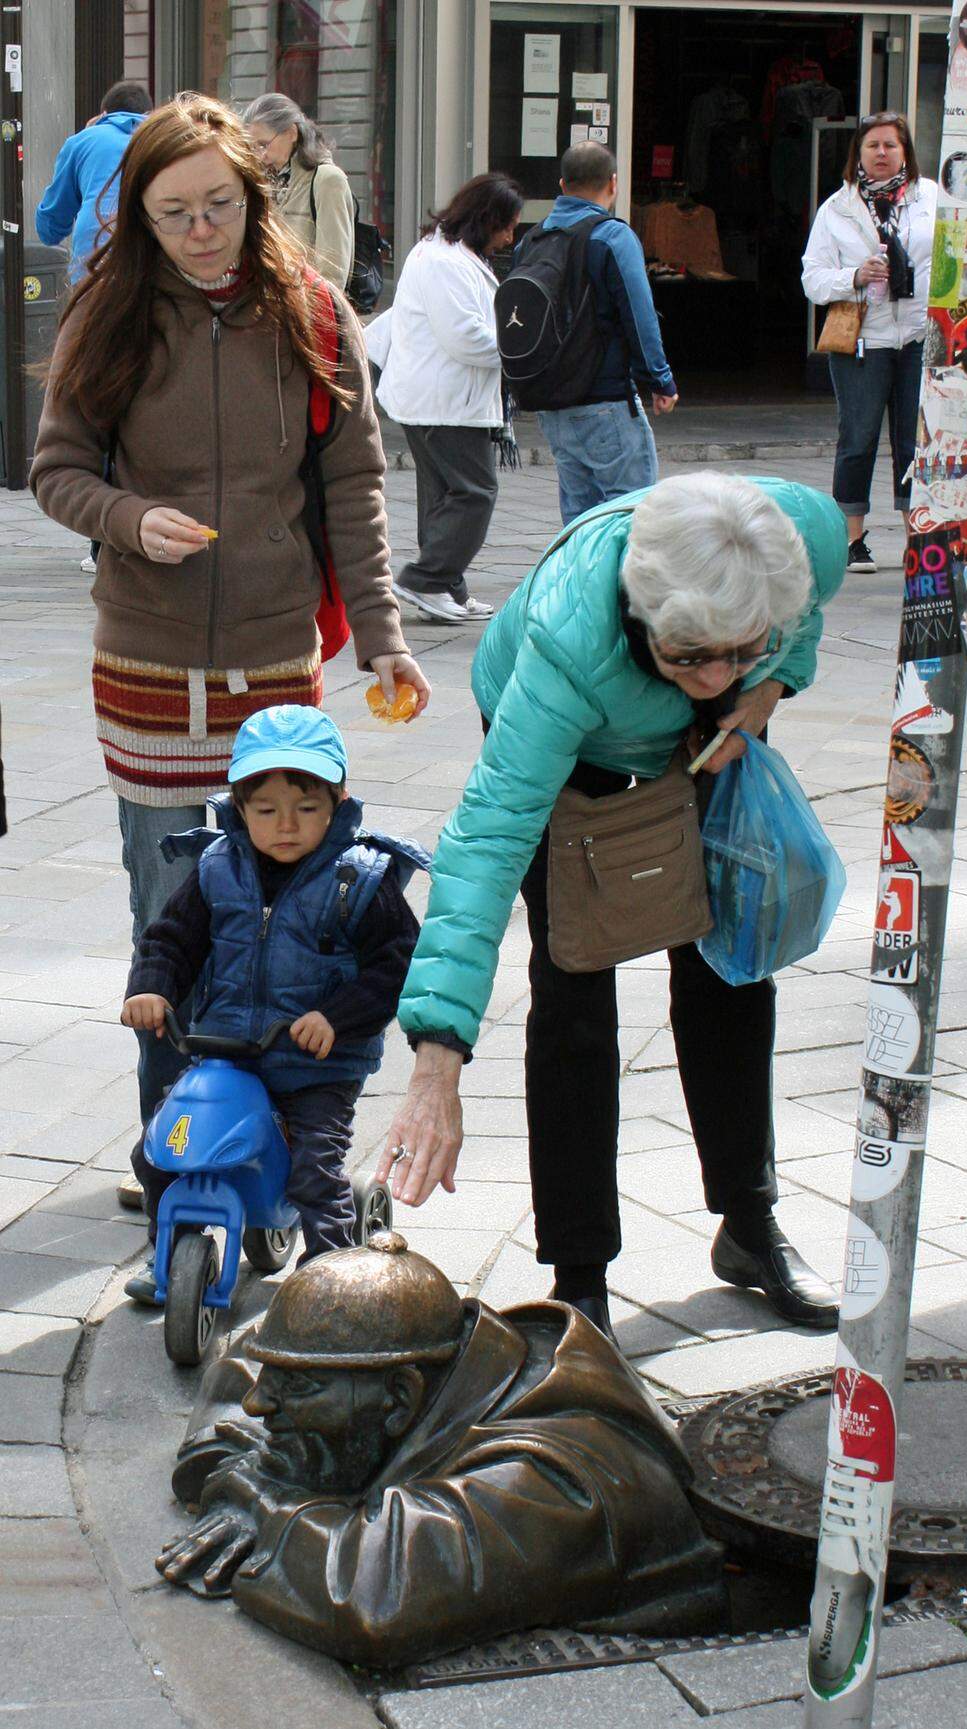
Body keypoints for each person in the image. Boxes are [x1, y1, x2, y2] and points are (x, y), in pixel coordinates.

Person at [30, 93, 428, 1178]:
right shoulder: (105, 312)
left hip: (272, 667)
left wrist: (383, 633)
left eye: (219, 205)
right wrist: (127, 520)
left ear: (254, 196)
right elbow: (54, 470)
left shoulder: (310, 307)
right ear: (141, 218)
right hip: (148, 663)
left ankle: (278, 1139)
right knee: (172, 914)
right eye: (175, 214)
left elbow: (354, 479)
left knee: (288, 920)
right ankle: (173, 1147)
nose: (202, 231)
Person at [378, 472, 847, 1344]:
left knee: (733, 964)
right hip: (578, 748)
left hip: (712, 743)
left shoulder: (802, 535)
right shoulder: (569, 644)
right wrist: (436, 1061)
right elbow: (483, 842)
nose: (713, 674)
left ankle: (749, 1221)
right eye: (690, 656)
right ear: (641, 613)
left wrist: (765, 689)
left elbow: (805, 613)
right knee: (573, 989)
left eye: (741, 647)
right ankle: (579, 1278)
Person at [158, 1232, 726, 1665]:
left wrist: (260, 1500)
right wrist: (254, 1476)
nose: (260, 1404)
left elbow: (371, 1598)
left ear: (401, 1398)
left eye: (298, 1386)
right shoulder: (449, 1369)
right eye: (276, 1376)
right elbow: (232, 1378)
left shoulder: (547, 1478)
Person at [119, 707, 424, 1300]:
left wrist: (337, 1018)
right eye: (266, 811)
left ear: (338, 800)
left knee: (313, 1170)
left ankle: (331, 1282)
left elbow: (398, 964)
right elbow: (171, 938)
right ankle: (166, 1256)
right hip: (226, 1053)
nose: (286, 825)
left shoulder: (358, 877)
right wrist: (151, 987)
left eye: (306, 808)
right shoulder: (217, 868)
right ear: (238, 806)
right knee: (160, 1152)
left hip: (315, 1065)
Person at [369, 172, 523, 624]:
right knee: (476, 493)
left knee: (444, 494)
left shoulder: (452, 255)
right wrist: (521, 349)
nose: (511, 235)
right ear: (485, 218)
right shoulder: (443, 261)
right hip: (444, 400)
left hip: (440, 398)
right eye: (507, 225)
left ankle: (446, 588)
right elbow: (466, 338)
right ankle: (427, 578)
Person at [801, 111, 937, 574]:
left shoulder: (932, 200)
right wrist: (854, 276)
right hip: (864, 338)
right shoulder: (836, 209)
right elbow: (813, 279)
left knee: (914, 439)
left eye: (891, 146)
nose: (882, 154)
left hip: (918, 335)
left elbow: (952, 260)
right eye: (872, 146)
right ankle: (852, 538)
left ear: (906, 152)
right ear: (857, 154)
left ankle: (917, 532)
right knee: (857, 438)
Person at [532, 142, 678, 527]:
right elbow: (639, 314)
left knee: (579, 522)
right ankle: (623, 589)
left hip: (552, 404)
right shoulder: (612, 237)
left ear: (562, 184)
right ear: (613, 183)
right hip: (606, 401)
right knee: (631, 517)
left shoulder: (533, 241)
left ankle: (582, 587)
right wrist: (659, 380)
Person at [35, 80, 153, 283]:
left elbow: (51, 227)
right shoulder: (158, 139)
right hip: (150, 255)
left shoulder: (82, 141)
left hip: (93, 257)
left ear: (103, 114)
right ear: (149, 114)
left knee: (92, 312)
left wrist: (87, 135)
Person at [243, 93, 355, 291]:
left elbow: (334, 272)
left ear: (292, 133)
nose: (260, 154)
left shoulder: (327, 180)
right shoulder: (265, 181)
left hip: (310, 311)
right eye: (253, 148)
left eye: (264, 144)